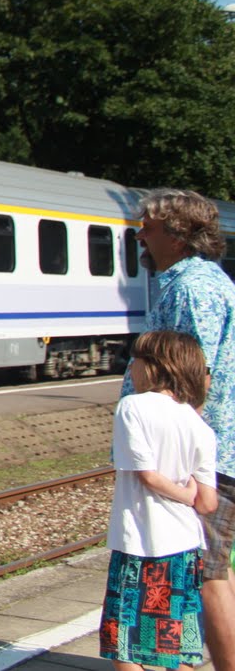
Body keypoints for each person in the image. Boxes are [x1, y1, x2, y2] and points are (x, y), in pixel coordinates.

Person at [133, 188, 235, 667]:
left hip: (203, 456)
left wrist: (182, 460)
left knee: (206, 573)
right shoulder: (191, 282)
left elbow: (196, 378)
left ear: (177, 236)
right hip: (208, 450)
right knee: (211, 569)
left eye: (148, 227)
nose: (140, 235)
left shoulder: (194, 288)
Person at [100, 330, 218, 670]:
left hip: (140, 543)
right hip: (184, 547)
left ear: (154, 366)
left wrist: (182, 493)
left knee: (123, 644)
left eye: (135, 360)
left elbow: (147, 475)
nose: (131, 368)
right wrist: (190, 493)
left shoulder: (132, 406)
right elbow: (207, 503)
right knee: (177, 647)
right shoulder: (198, 424)